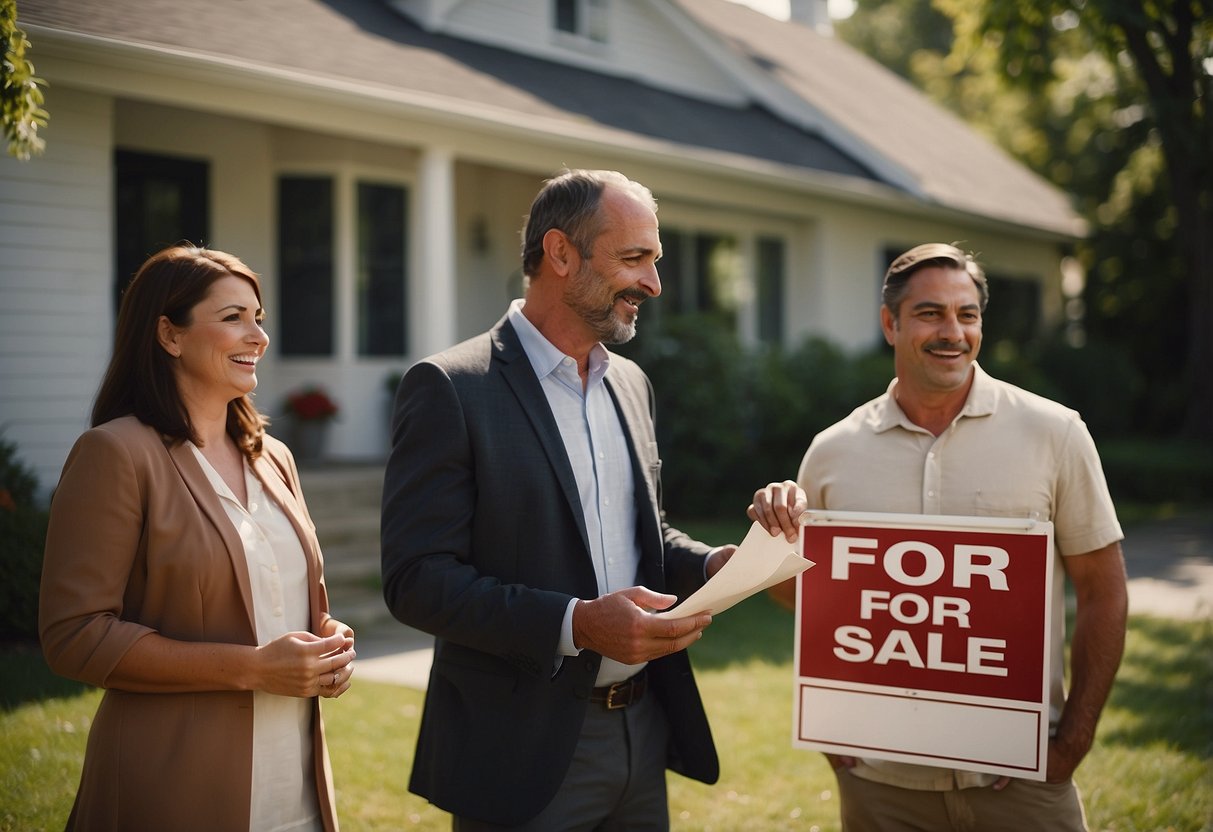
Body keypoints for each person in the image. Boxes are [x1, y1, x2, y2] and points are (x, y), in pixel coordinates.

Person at [381, 169, 735, 830]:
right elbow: (416, 582)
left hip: (642, 729)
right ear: (560, 254)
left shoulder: (629, 383)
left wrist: (716, 565)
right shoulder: (450, 388)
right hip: (522, 751)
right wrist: (577, 623)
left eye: (653, 262)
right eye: (634, 259)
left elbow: (640, 537)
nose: (652, 285)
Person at [749, 243, 1128, 831]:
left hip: (1021, 781)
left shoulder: (1055, 433)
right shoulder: (833, 451)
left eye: (967, 314)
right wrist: (774, 545)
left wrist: (1071, 743)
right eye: (930, 313)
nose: (952, 331)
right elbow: (808, 601)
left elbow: (1104, 590)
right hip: (881, 787)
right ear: (890, 323)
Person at [39, 245, 356, 831]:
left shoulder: (275, 457)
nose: (257, 336)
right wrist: (253, 668)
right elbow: (74, 636)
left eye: (258, 318)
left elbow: (290, 599)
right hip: (173, 787)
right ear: (169, 334)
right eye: (233, 317)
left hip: (298, 792)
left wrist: (328, 641)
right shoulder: (117, 453)